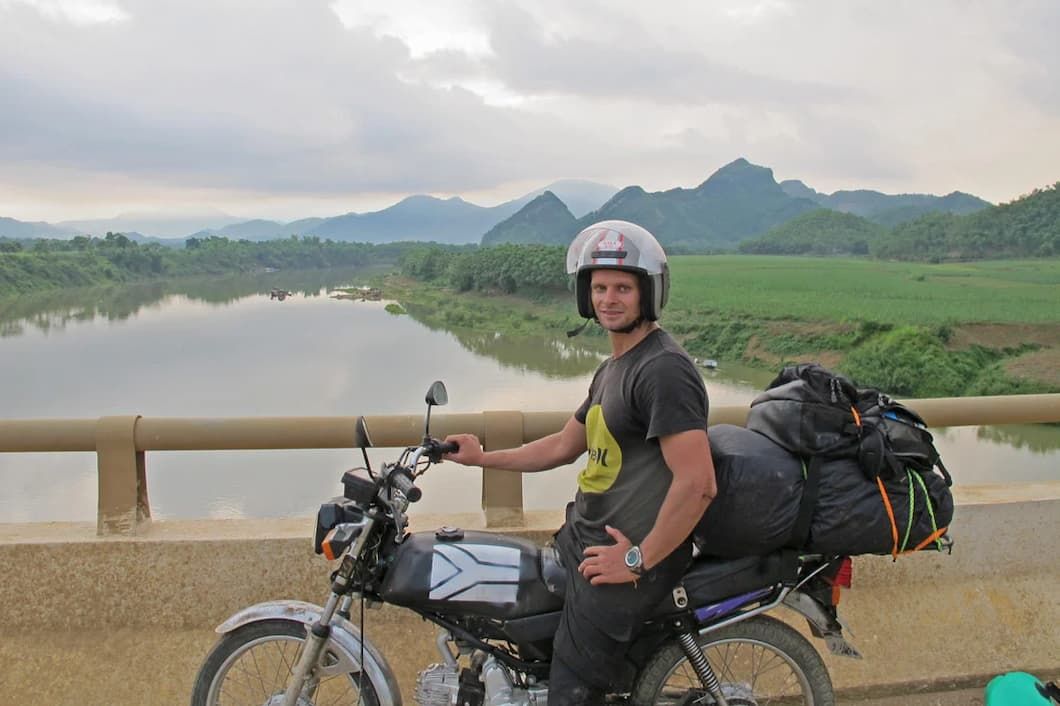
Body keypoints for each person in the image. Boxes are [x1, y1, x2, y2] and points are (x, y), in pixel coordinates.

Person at [443, 220, 717, 705]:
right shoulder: (613, 368)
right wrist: (482, 458)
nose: (609, 299)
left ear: (648, 294)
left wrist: (637, 559)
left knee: (571, 694)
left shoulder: (663, 371)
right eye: (599, 288)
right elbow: (562, 445)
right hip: (584, 545)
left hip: (626, 563)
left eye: (623, 288)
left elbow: (697, 483)